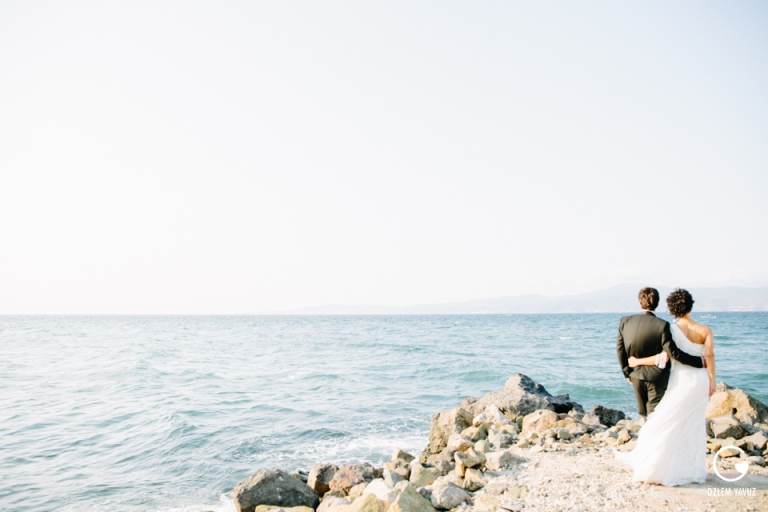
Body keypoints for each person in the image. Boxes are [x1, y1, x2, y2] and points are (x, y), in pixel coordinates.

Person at [615, 288, 716, 486]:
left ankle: (660, 463)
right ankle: (693, 470)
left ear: (671, 309)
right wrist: (711, 377)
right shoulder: (705, 330)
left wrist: (635, 363)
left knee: (667, 421)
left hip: (680, 380)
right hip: (701, 380)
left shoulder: (670, 328)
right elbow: (710, 356)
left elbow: (668, 355)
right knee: (694, 425)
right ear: (691, 305)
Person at [616, 287, 705, 418]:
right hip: (656, 376)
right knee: (654, 414)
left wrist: (627, 372)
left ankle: (647, 437)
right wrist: (699, 361)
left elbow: (620, 349)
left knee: (643, 413)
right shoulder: (662, 325)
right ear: (657, 304)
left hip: (635, 374)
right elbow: (673, 352)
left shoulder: (625, 321)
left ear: (640, 303)